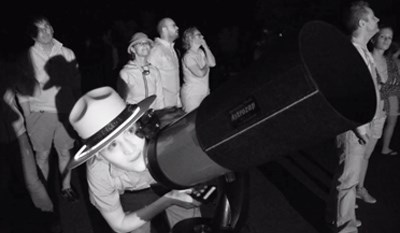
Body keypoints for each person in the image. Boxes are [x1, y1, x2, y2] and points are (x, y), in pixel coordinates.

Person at [67, 86, 201, 233]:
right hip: (133, 195)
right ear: (98, 154)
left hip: (171, 180)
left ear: (139, 123)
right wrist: (169, 199)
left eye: (130, 131)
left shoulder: (167, 131)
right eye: (112, 145)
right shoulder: (100, 174)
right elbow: (120, 224)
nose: (130, 149)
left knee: (190, 224)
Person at [328, 2, 385, 233]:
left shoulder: (362, 51)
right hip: (354, 126)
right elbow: (344, 95)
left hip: (362, 123)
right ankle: (345, 228)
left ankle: (338, 218)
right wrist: (359, 127)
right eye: (372, 17)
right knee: (349, 179)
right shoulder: (351, 53)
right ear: (362, 23)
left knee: (345, 174)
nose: (378, 19)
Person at [16, 16, 81, 202]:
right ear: (33, 35)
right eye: (40, 29)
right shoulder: (27, 57)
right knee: (42, 155)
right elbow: (21, 90)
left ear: (52, 28)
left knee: (65, 152)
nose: (45, 31)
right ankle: (42, 190)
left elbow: (76, 83)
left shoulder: (67, 52)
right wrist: (28, 115)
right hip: (40, 113)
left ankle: (66, 186)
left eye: (47, 26)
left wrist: (77, 110)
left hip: (65, 112)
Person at [370, 26, 400, 156]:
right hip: (392, 97)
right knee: (391, 123)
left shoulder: (388, 62)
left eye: (389, 38)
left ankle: (382, 146)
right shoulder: (395, 63)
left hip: (387, 97)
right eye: (383, 37)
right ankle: (385, 147)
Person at [117, 32, 165, 110]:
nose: (144, 45)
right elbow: (121, 101)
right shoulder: (125, 73)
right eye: (140, 43)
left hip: (152, 116)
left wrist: (161, 114)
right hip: (134, 116)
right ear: (133, 49)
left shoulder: (154, 71)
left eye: (146, 43)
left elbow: (159, 97)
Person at [147, 17, 181, 108]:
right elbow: (149, 80)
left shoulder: (172, 50)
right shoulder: (156, 50)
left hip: (173, 104)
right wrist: (159, 106)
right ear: (164, 29)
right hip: (163, 107)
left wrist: (178, 101)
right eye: (174, 26)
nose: (177, 28)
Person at [180, 27, 216, 113]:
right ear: (190, 38)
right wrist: (207, 64)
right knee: (192, 122)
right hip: (192, 95)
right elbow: (200, 73)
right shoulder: (188, 56)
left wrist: (206, 46)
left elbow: (213, 64)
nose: (202, 36)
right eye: (198, 35)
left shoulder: (201, 52)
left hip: (204, 92)